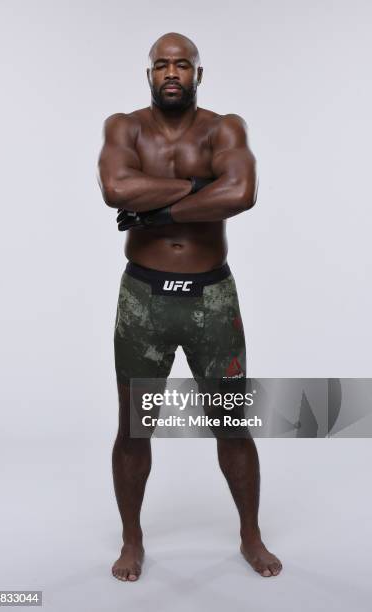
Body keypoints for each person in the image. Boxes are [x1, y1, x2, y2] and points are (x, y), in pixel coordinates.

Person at [97, 31, 282, 582]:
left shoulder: (225, 128)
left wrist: (160, 213)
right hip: (144, 299)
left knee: (232, 423)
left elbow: (242, 191)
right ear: (149, 75)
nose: (172, 73)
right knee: (134, 428)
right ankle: (133, 539)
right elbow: (114, 187)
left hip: (211, 297)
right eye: (162, 65)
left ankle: (250, 534)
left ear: (199, 74)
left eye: (183, 65)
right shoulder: (123, 127)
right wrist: (201, 184)